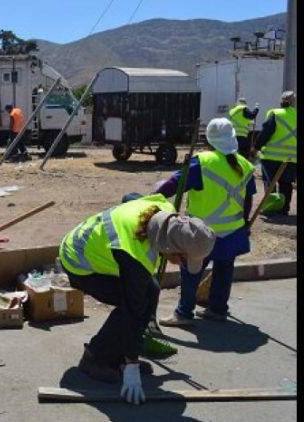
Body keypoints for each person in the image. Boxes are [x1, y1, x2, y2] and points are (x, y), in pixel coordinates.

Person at [59, 194, 215, 404]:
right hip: (78, 260)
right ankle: (94, 358)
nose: (181, 264)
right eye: (183, 258)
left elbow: (130, 198)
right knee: (132, 304)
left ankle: (119, 356)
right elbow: (133, 310)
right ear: (170, 246)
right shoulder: (135, 254)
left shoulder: (163, 210)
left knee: (151, 290)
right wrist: (132, 366)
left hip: (97, 249)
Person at [157, 118, 255, 326]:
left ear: (208, 139)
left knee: (191, 272)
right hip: (232, 231)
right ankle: (218, 309)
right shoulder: (245, 164)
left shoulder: (202, 162)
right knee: (224, 270)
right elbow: (248, 200)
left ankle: (184, 313)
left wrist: (152, 198)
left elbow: (174, 184)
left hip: (201, 233)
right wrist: (244, 222)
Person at [253, 91, 297, 216]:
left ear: (281, 101)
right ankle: (284, 209)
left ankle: (271, 207)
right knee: (286, 183)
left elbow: (266, 133)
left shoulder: (276, 114)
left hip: (271, 157)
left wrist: (256, 147)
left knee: (270, 182)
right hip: (291, 158)